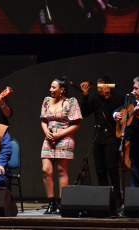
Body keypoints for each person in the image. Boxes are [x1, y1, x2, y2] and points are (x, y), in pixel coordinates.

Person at [80, 76, 124, 208]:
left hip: (111, 136)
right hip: (98, 137)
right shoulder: (95, 98)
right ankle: (105, 199)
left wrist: (107, 97)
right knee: (100, 170)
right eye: (98, 88)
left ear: (107, 86)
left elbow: (114, 114)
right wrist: (85, 96)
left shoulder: (117, 98)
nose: (100, 90)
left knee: (112, 169)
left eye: (102, 87)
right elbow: (85, 112)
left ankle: (118, 199)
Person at [40, 77, 82, 214]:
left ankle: (62, 202)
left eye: (53, 87)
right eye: (50, 87)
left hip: (64, 138)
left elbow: (76, 124)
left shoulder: (71, 102)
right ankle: (51, 203)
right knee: (46, 170)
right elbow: (43, 121)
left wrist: (60, 134)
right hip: (49, 138)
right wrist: (46, 131)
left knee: (61, 170)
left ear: (62, 89)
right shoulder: (46, 101)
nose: (50, 90)